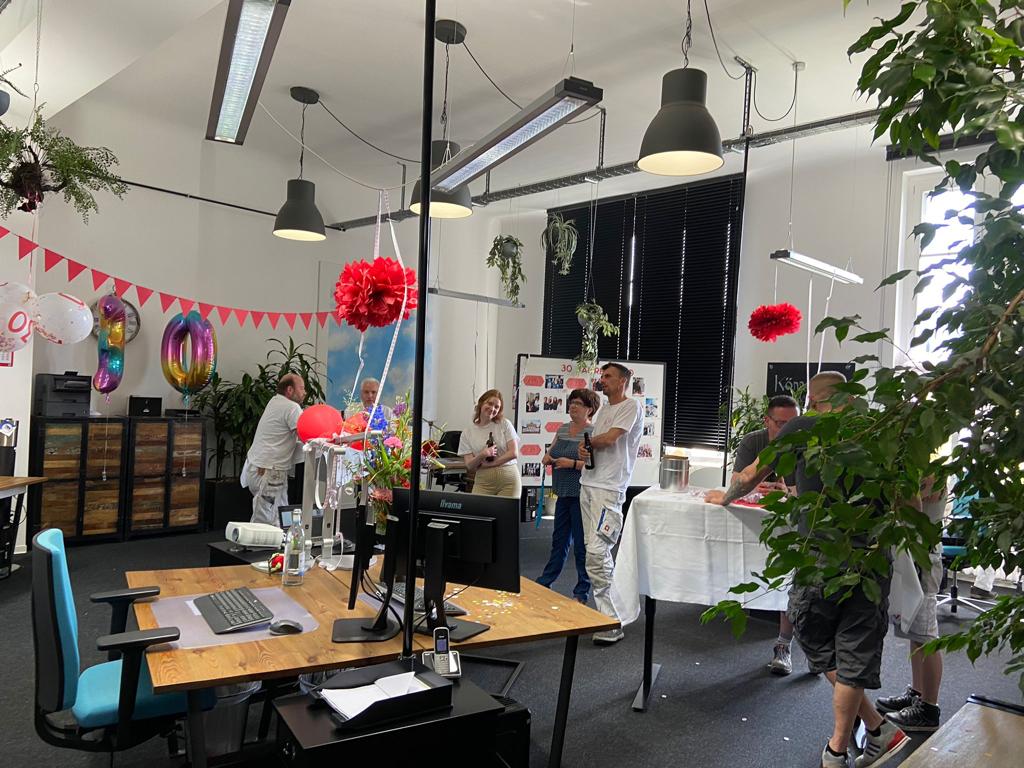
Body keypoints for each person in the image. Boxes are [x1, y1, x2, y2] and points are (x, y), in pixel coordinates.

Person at [705, 372, 909, 768]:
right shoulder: (881, 430)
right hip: (872, 558)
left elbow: (751, 475)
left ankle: (852, 742)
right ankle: (857, 741)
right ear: (851, 397)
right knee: (855, 648)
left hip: (822, 555)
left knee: (813, 635)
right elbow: (908, 499)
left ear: (813, 400)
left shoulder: (803, 427)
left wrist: (724, 497)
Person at [730, 394, 800, 676]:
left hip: (793, 524)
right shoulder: (754, 441)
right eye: (781, 423)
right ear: (766, 421)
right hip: (756, 521)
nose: (788, 429)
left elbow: (803, 491)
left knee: (789, 576)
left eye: (793, 422)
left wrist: (782, 489)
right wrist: (763, 486)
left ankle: (784, 643)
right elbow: (737, 481)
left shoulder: (804, 443)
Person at [578, 362, 643, 644]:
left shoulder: (631, 406)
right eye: (602, 376)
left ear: (623, 381)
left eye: (608, 376)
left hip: (610, 490)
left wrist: (589, 443)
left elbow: (610, 438)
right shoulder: (604, 408)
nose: (602, 380)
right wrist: (585, 447)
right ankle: (606, 614)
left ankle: (612, 620)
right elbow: (595, 441)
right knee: (592, 552)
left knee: (597, 552)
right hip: (588, 484)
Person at [875, 478, 946, 733]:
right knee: (916, 633)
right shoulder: (918, 470)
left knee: (926, 635)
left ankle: (929, 708)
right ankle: (918, 693)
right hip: (913, 552)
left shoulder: (929, 473)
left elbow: (913, 505)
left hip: (923, 555)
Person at [537, 388, 601, 604]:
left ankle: (581, 592)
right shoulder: (563, 429)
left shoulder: (593, 433)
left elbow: (594, 466)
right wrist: (547, 457)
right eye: (571, 402)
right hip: (563, 493)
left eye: (578, 403)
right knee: (559, 541)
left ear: (589, 409)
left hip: (581, 495)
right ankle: (545, 582)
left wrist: (571, 463)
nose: (573, 406)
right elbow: (551, 451)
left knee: (581, 546)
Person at [242, 373, 305, 526]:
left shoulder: (274, 401)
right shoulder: (292, 407)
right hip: (270, 471)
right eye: (302, 388)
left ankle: (282, 540)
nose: (305, 392)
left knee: (280, 515)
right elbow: (306, 434)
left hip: (261, 468)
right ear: (290, 390)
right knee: (265, 520)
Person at [458, 389, 521, 497]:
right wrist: (482, 454)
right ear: (481, 403)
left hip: (509, 481)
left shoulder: (504, 424)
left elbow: (513, 453)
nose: (492, 408)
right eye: (490, 403)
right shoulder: (467, 433)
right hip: (483, 482)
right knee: (476, 508)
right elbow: (469, 465)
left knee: (506, 509)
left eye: (497, 407)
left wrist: (490, 464)